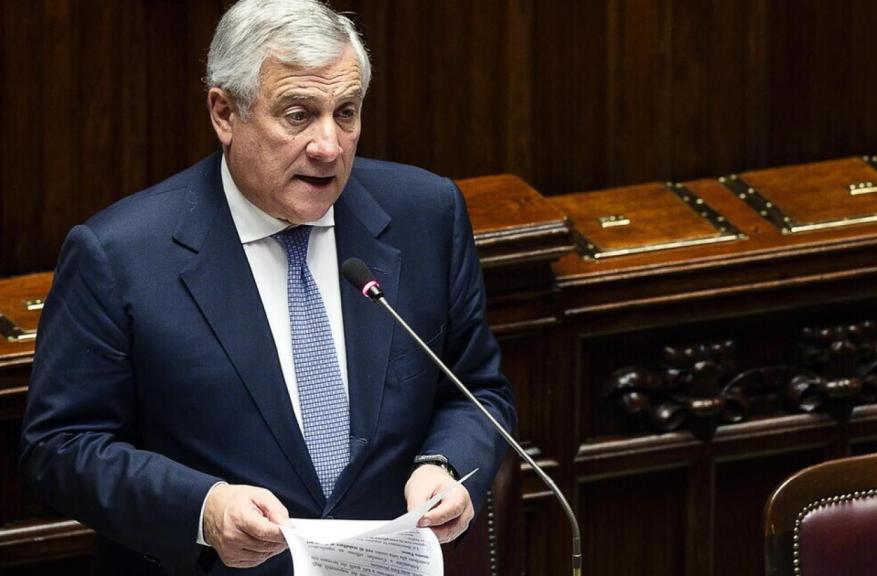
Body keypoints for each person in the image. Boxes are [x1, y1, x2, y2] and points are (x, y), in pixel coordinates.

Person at [19, 0, 516, 573]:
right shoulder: (119, 255)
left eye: (346, 112)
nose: (329, 145)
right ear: (225, 113)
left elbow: (478, 390)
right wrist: (203, 510)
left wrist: (446, 464)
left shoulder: (426, 214)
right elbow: (59, 448)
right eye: (298, 114)